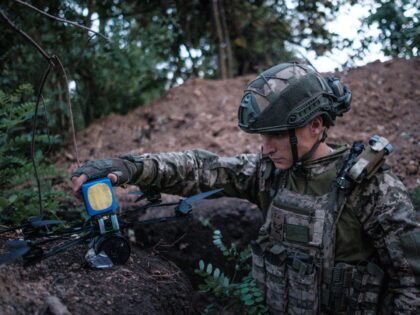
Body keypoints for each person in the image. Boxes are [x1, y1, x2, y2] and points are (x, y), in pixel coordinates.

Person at [71, 62, 420, 314]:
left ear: (316, 126)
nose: (266, 148)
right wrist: (131, 167)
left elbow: (412, 283)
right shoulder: (271, 173)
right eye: (262, 136)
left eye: (278, 135)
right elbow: (202, 168)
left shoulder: (373, 187)